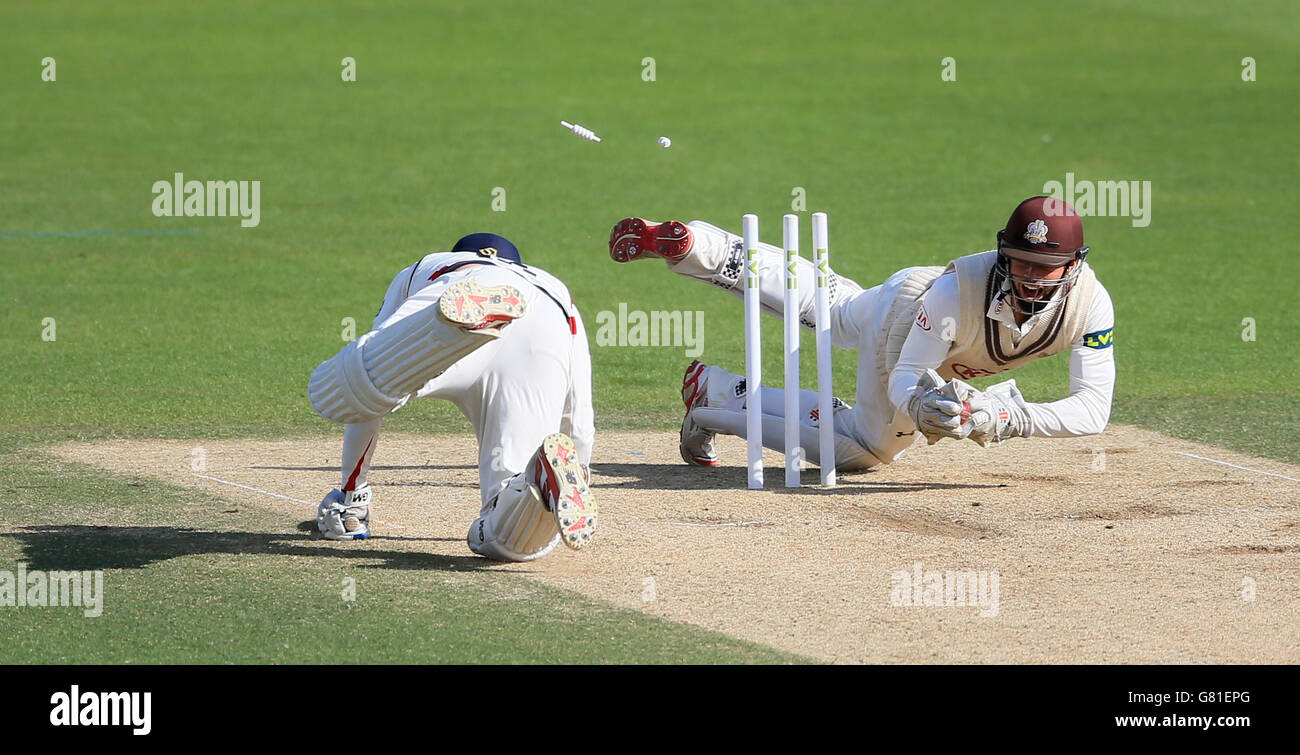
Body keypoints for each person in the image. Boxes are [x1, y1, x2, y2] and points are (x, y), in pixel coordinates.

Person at [608, 196, 1115, 471]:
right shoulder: (958, 291)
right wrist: (918, 407)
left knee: (833, 306)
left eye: (1043, 268)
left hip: (908, 296)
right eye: (1019, 262)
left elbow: (1093, 409)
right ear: (1003, 254)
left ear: (1073, 265)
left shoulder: (1091, 308)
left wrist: (1005, 415)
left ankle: (702, 248)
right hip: (910, 317)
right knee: (865, 451)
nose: (1028, 275)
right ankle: (714, 401)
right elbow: (909, 373)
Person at [307, 233, 596, 561]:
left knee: (348, 390)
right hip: (540, 321)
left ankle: (453, 329)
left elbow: (369, 402)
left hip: (457, 295)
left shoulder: (431, 265)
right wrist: (579, 470)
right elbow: (579, 415)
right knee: (504, 540)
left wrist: (351, 494)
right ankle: (536, 478)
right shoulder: (552, 285)